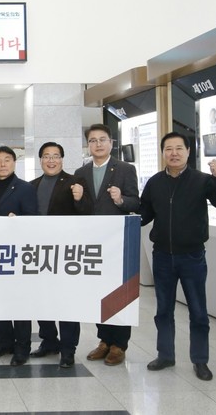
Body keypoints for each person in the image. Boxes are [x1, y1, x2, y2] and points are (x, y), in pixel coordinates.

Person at [141, 132, 216, 381]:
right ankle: (165, 355)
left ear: (188, 152)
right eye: (168, 149)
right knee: (163, 310)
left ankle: (200, 360)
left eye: (179, 148)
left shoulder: (202, 180)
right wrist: (122, 207)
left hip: (192, 257)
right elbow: (144, 214)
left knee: (198, 311)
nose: (174, 153)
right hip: (162, 256)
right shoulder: (155, 182)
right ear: (163, 153)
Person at [74, 123, 140, 366]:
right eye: (93, 140)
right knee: (98, 292)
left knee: (119, 293)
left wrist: (121, 199)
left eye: (102, 139)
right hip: (93, 243)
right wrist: (77, 200)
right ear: (88, 145)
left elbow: (136, 202)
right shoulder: (81, 172)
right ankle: (104, 340)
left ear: (111, 143)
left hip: (117, 242)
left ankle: (119, 344)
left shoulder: (125, 169)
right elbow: (80, 209)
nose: (98, 144)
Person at [29, 142, 92, 369]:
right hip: (38, 253)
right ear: (40, 160)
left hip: (66, 254)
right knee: (41, 300)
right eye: (46, 156)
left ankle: (68, 349)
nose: (51, 160)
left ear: (62, 160)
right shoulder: (32, 185)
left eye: (55, 156)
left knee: (67, 302)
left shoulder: (75, 182)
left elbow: (88, 212)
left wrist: (79, 198)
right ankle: (49, 341)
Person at [0, 146, 39, 367]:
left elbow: (33, 218)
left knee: (20, 303)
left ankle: (22, 347)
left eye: (7, 160)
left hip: (18, 255)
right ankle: (4, 342)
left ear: (14, 163)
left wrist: (19, 221)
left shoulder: (26, 188)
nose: (2, 164)